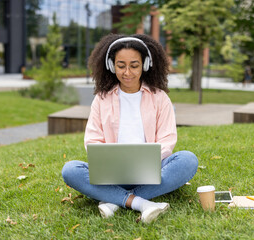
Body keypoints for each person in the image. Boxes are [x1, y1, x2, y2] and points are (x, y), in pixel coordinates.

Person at [62, 34, 198, 223]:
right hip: (112, 174)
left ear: (145, 64)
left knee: (188, 160)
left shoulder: (160, 98)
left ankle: (114, 200)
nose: (127, 72)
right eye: (121, 66)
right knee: (70, 170)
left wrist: (146, 161)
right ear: (111, 66)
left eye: (134, 65)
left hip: (150, 172)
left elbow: (167, 140)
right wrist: (109, 161)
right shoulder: (101, 99)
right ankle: (142, 203)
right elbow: (92, 140)